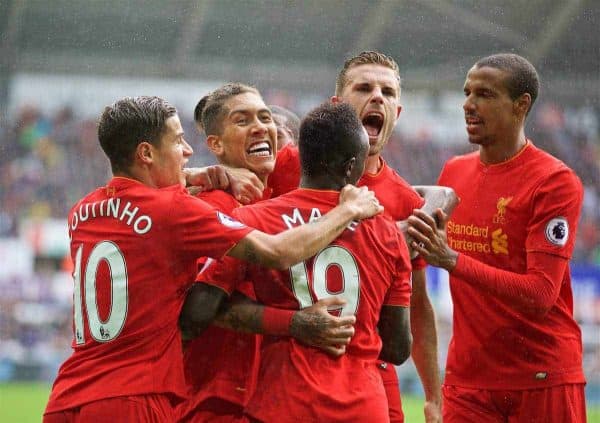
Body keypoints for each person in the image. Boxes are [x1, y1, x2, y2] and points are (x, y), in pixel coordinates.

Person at [42, 96, 382, 422]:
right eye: (177, 142)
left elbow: (132, 197)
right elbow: (278, 252)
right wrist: (347, 210)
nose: (189, 152)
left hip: (67, 395)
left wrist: (190, 176)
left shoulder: (82, 212)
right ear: (146, 153)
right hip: (133, 396)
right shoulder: (177, 210)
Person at [182, 101, 413, 422]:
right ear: (351, 166)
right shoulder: (388, 234)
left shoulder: (254, 219)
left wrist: (283, 320)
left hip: (287, 402)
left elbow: (196, 313)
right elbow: (398, 347)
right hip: (363, 407)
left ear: (302, 156)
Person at [265, 51, 454, 422]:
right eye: (364, 87)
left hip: (367, 376)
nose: (378, 97)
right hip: (287, 368)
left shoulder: (405, 201)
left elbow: (415, 302)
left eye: (388, 92)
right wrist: (208, 173)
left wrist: (433, 394)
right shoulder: (287, 165)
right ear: (337, 105)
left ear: (397, 114)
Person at [407, 53, 587, 422]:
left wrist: (453, 260)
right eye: (467, 92)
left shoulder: (554, 181)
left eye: (485, 94)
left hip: (541, 377)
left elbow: (540, 294)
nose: (468, 104)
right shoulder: (453, 173)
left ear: (521, 105)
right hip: (468, 380)